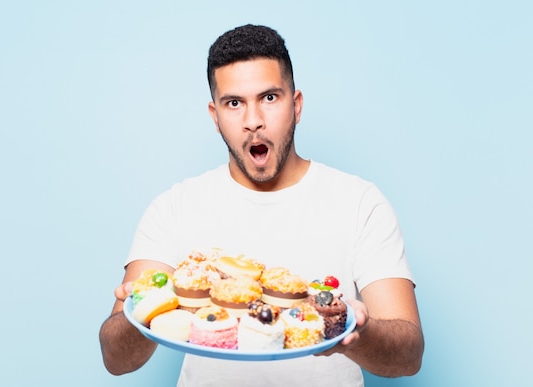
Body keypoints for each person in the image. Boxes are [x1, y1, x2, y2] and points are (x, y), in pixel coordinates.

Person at [99, 24, 424, 386]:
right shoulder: (174, 207)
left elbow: (409, 354)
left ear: (296, 105)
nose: (253, 121)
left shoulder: (360, 203)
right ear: (215, 116)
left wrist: (354, 333)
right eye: (234, 103)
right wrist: (142, 306)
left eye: (269, 98)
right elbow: (115, 359)